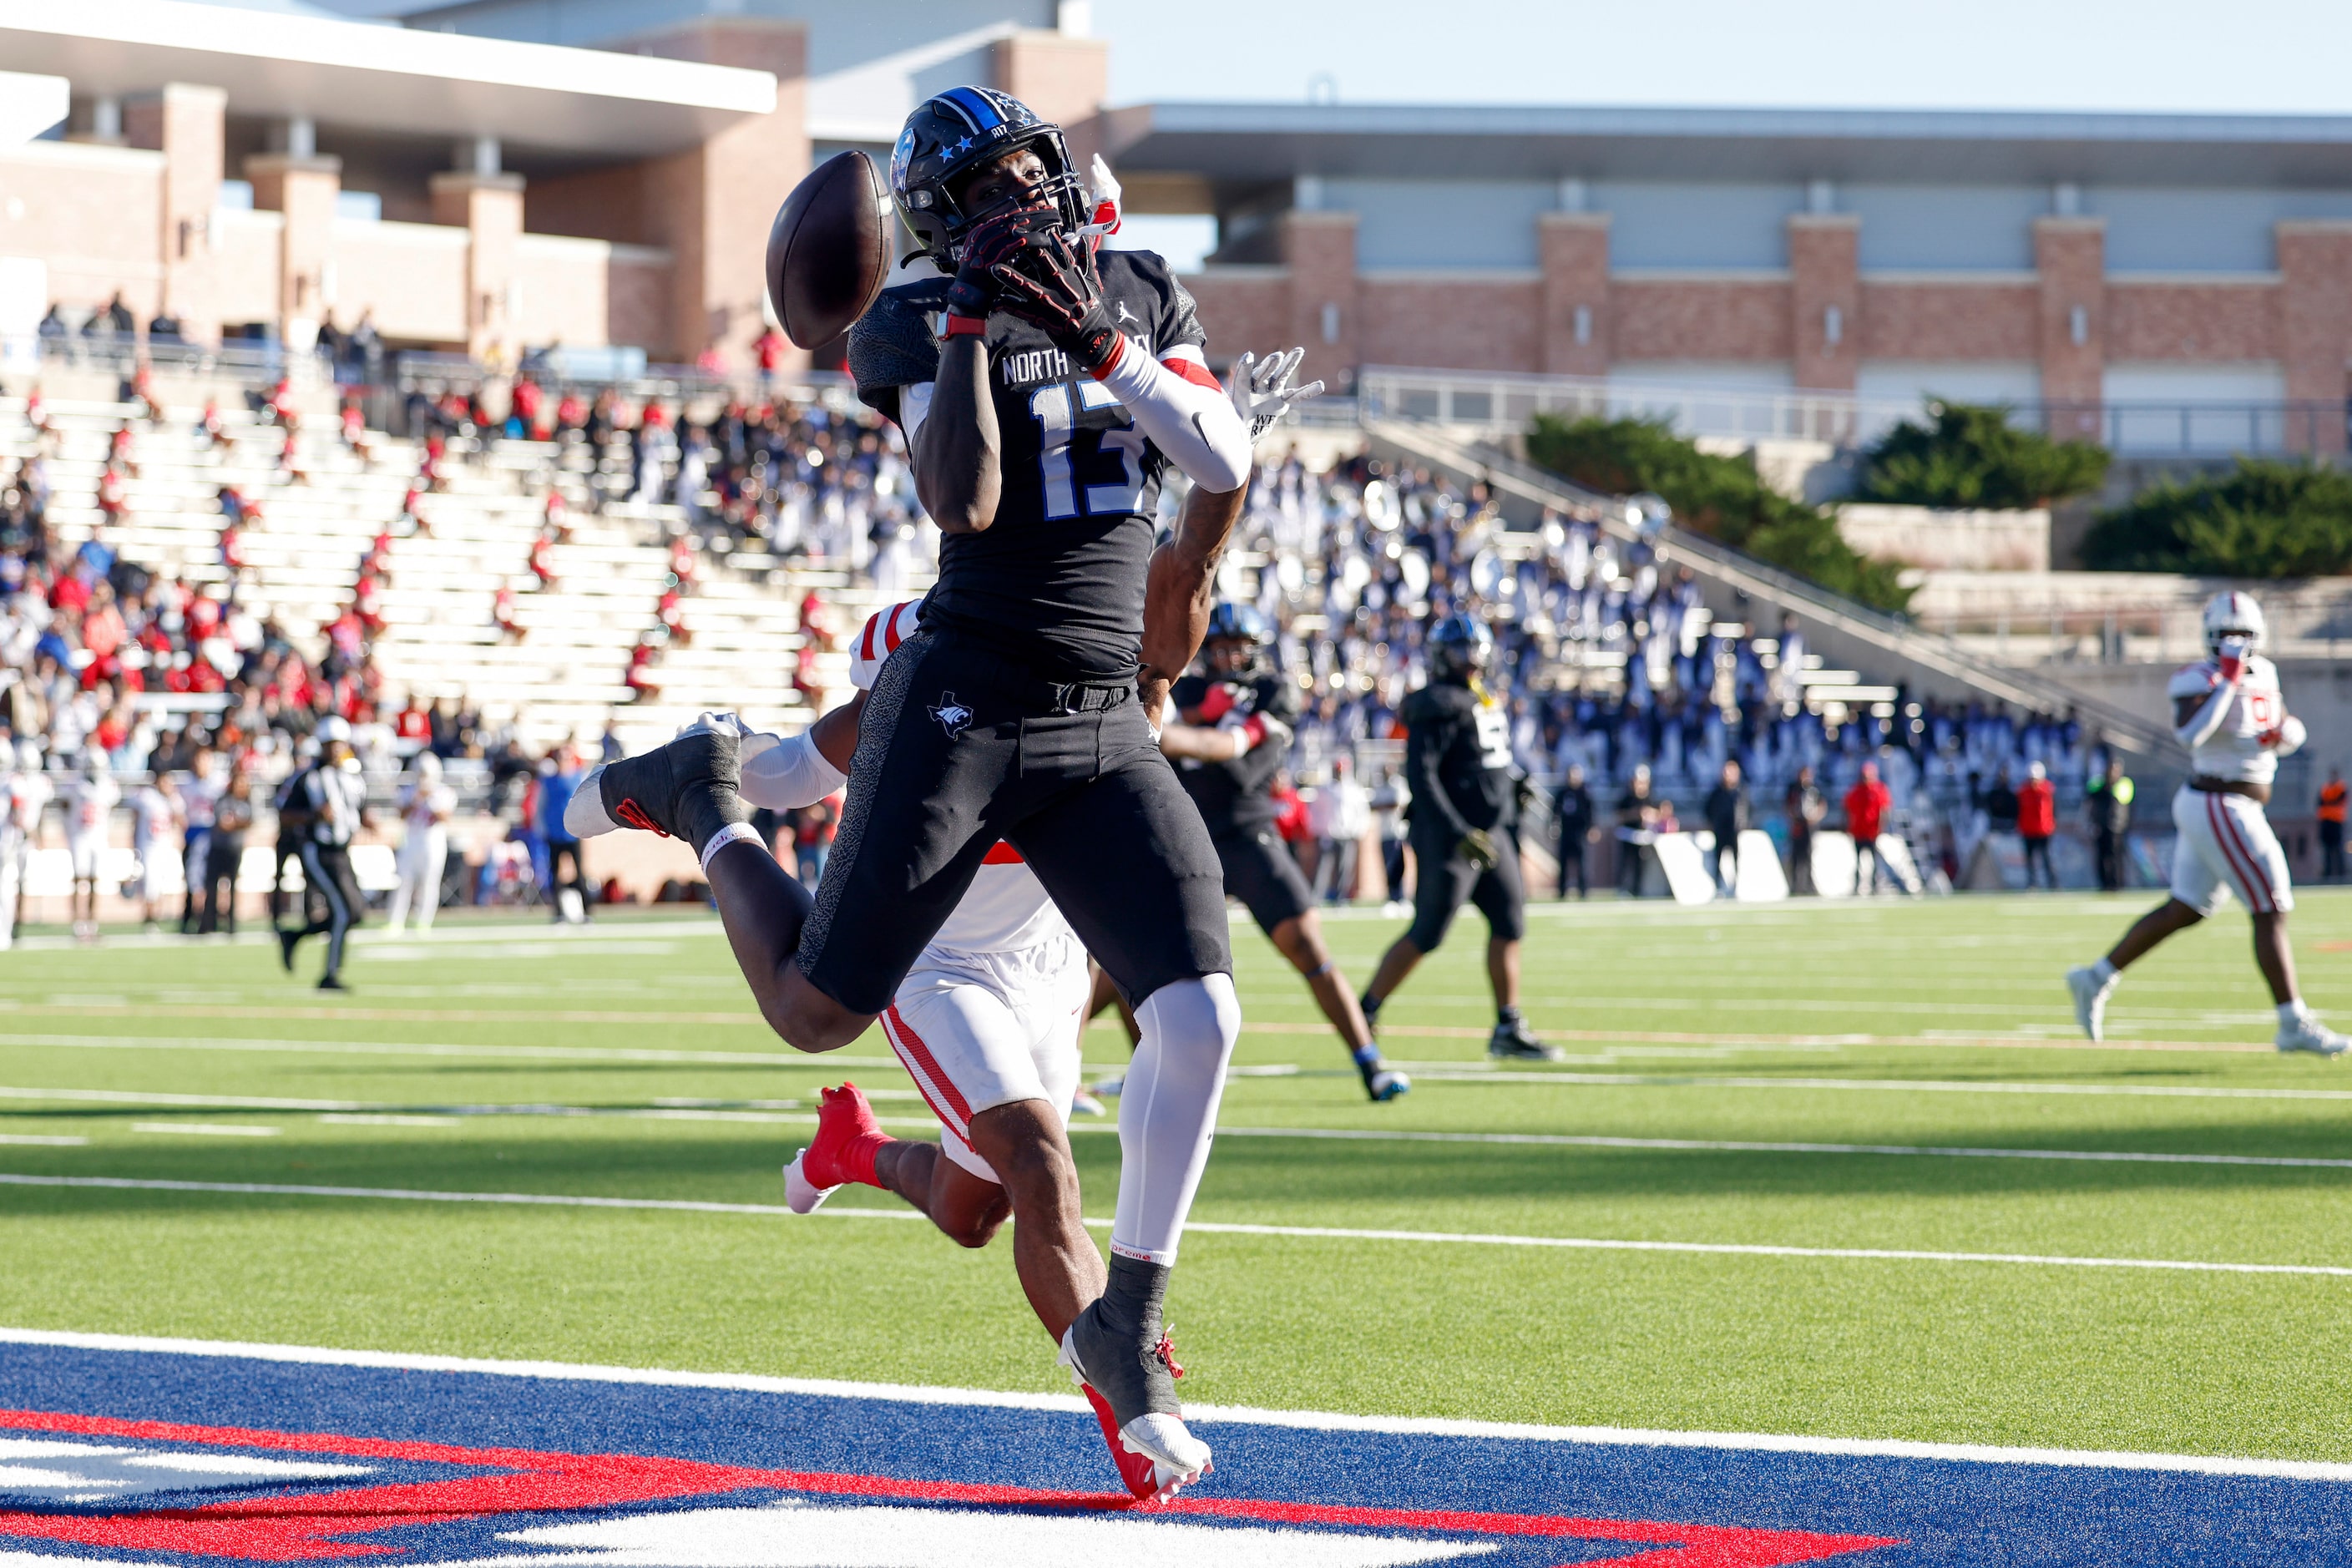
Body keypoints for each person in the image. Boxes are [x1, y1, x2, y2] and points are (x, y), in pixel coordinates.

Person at [574, 86, 1274, 1493]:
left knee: (1200, 1015)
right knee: (812, 1008)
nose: (1022, 198)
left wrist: (1101, 342)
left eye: (1029, 168)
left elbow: (1223, 454)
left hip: (1093, 716)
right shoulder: (905, 322)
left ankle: (1125, 1317)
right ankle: (706, 805)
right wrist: (967, 325)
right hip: (968, 700)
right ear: (947, 225)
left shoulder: (1136, 283)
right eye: (992, 189)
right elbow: (958, 503)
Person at [583, 607, 1171, 1500]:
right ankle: (1128, 1415)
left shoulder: (1069, 652)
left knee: (976, 1213)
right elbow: (790, 771)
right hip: (935, 964)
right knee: (1043, 1168)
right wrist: (705, 768)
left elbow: (1158, 668)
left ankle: (848, 1149)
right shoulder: (909, 671)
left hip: (1050, 966)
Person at [1138, 603, 1407, 1100]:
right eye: (1218, 647)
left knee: (1308, 945)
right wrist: (1176, 721)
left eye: (1237, 646)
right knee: (1128, 958)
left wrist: (1164, 732)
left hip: (1248, 834)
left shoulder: (1272, 692)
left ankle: (1369, 1058)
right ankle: (1102, 1072)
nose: (1227, 656)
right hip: (1187, 834)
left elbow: (1228, 749)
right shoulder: (1186, 689)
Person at [2067, 591, 2346, 1055]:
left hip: (2237, 802)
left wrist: (2285, 734)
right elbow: (2191, 734)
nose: (2235, 644)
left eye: (2244, 636)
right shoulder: (2197, 677)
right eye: (2226, 636)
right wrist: (2228, 681)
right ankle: (2291, 1020)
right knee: (2272, 905)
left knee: (2186, 909)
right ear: (2210, 638)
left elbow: (2282, 726)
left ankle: (2094, 976)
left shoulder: (2268, 672)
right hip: (2219, 800)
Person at [1359, 615, 1560, 1061]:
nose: (1470, 660)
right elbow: (1423, 777)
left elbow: (1483, 760)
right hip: (1449, 837)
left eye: (1475, 649)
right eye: (1460, 651)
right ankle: (1364, 1010)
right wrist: (1457, 831)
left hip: (1493, 834)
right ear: (1440, 656)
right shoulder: (1435, 704)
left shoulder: (1481, 698)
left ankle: (1508, 1026)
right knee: (1429, 931)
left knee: (1510, 923)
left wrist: (1512, 785)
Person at [279, 716, 367, 990]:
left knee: (356, 912)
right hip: (319, 852)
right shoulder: (309, 778)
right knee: (342, 912)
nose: (336, 750)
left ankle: (295, 936)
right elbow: (285, 815)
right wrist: (313, 816)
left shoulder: (352, 777)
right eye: (331, 744)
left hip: (342, 853)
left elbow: (358, 809)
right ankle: (330, 975)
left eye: (340, 744)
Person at [387, 751, 454, 933]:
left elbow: (445, 817)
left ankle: (423, 922)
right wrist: (417, 799)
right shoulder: (408, 791)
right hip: (411, 839)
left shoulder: (443, 792)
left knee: (429, 882)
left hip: (433, 840)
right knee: (403, 881)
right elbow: (401, 815)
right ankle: (395, 921)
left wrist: (430, 799)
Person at [60, 752, 119, 942]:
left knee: (94, 880)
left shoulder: (108, 786)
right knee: (79, 879)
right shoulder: (76, 785)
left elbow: (113, 807)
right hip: (80, 836)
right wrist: (68, 827)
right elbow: (64, 804)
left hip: (98, 836)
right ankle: (78, 923)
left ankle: (92, 923)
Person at [0, 741, 51, 948]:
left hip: (10, 840)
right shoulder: (14, 782)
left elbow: (20, 813)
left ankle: (7, 931)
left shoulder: (15, 782)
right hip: (10, 839)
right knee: (6, 888)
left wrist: (32, 833)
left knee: (7, 887)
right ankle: (7, 931)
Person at [1309, 754, 1370, 908]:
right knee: (1323, 866)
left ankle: (1340, 898)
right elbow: (1316, 812)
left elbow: (1361, 812)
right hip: (1328, 833)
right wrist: (1319, 829)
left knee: (1344, 867)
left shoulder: (1354, 789)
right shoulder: (1324, 789)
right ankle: (1317, 897)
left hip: (1347, 833)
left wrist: (1358, 829)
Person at [200, 772, 253, 935]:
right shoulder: (223, 801)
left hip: (235, 849)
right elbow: (223, 823)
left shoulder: (246, 803)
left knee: (233, 887)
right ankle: (209, 924)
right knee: (211, 886)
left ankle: (231, 925)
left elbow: (249, 822)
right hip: (218, 848)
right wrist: (238, 823)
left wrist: (236, 823)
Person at [128, 770, 182, 930]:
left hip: (165, 846)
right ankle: (149, 919)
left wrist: (172, 800)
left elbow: (181, 821)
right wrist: (134, 843)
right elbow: (135, 816)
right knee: (150, 884)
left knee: (163, 883)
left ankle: (157, 915)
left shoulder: (174, 799)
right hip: (148, 847)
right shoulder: (147, 797)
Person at [2085, 756, 2135, 893]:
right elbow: (2090, 792)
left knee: (2116, 857)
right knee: (2101, 856)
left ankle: (2117, 883)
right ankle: (2104, 884)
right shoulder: (2099, 783)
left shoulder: (2124, 783)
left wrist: (2109, 784)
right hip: (2101, 825)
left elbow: (2120, 796)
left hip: (2117, 826)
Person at [1844, 761, 1892, 897]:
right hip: (1859, 831)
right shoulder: (1856, 791)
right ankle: (1857, 885)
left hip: (1872, 831)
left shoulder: (1879, 790)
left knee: (1874, 861)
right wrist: (1848, 827)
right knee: (1857, 861)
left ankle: (1875, 885)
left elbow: (1884, 810)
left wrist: (1881, 827)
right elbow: (1847, 809)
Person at [1702, 759, 1747, 897]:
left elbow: (1747, 810)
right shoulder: (1717, 792)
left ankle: (1736, 887)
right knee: (1718, 860)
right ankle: (1718, 888)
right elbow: (1707, 809)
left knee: (1736, 860)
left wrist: (1743, 824)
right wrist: (1713, 823)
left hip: (1734, 831)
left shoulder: (1741, 792)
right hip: (1720, 830)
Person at [1615, 763, 1659, 897]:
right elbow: (1619, 816)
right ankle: (1623, 889)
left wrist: (1650, 814)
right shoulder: (1627, 798)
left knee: (1640, 866)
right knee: (1625, 864)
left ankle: (1637, 890)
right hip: (1628, 835)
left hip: (1643, 837)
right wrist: (1635, 814)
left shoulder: (1650, 799)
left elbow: (1658, 814)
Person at [1552, 763, 1593, 899]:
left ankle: (1583, 891)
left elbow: (1590, 813)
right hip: (1566, 831)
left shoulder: (1584, 793)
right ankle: (1562, 891)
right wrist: (1552, 827)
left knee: (1582, 863)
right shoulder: (1562, 792)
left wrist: (1591, 828)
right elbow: (1555, 812)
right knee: (1563, 863)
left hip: (1580, 832)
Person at [1783, 764, 1825, 896]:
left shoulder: (1814, 789)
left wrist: (1815, 816)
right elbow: (1787, 805)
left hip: (1809, 827)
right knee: (1796, 856)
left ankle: (1809, 885)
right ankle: (1795, 885)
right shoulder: (1793, 788)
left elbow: (1822, 805)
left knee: (1809, 856)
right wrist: (1793, 817)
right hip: (1797, 826)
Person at [2016, 760, 2057, 890]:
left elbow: (2054, 810)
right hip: (2028, 829)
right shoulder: (2023, 791)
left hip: (2044, 829)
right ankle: (2032, 884)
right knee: (2030, 860)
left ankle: (2052, 883)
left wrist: (2052, 824)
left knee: (2047, 858)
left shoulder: (2048, 791)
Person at [2319, 767, 2347, 882]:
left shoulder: (2341, 787)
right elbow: (2320, 802)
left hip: (2337, 820)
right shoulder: (2326, 787)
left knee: (2338, 847)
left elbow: (2338, 801)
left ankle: (2341, 873)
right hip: (2326, 821)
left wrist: (2328, 804)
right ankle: (2328, 873)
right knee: (2327, 848)